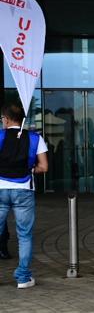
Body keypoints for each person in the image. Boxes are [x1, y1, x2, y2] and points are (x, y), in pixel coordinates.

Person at [0, 103, 48, 289]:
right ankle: (22, 278)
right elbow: (44, 167)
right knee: (25, 235)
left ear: (7, 119)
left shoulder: (1, 135)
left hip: (0, 188)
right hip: (24, 190)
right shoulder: (36, 138)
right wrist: (31, 168)